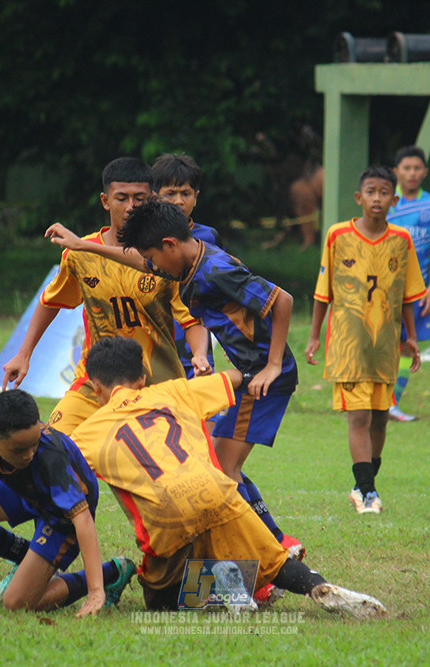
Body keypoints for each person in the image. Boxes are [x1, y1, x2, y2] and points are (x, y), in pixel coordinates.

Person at [46, 200, 305, 599]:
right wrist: (84, 245)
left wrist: (272, 365)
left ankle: (267, 564)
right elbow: (134, 259)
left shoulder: (216, 270)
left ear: (169, 244)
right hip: (247, 375)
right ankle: (254, 568)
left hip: (262, 380)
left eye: (153, 257)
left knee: (223, 476)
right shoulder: (180, 261)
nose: (152, 267)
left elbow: (283, 300)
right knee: (218, 471)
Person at [68, 336, 387, 618]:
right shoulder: (175, 390)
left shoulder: (85, 434)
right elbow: (236, 379)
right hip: (217, 492)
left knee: (157, 598)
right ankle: (323, 588)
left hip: (165, 517)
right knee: (275, 562)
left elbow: (61, 471)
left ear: (96, 387)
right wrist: (269, 368)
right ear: (142, 378)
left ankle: (222, 585)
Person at [1, 157, 209, 435]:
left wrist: (200, 355)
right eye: (122, 198)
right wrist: (23, 354)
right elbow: (50, 302)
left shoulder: (165, 255)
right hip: (95, 382)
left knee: (152, 468)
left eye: (140, 198)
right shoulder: (79, 254)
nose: (131, 207)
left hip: (155, 384)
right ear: (105, 200)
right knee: (54, 447)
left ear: (153, 200)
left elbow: (192, 319)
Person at [0, 389, 136, 618]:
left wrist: (96, 591)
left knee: (15, 602)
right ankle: (25, 557)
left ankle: (112, 572)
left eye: (34, 444)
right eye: (20, 449)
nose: (29, 455)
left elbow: (83, 519)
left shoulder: (50, 454)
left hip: (62, 514)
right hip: (22, 491)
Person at [304, 165, 426, 514]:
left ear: (394, 199)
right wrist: (314, 336)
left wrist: (412, 338)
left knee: (380, 417)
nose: (377, 198)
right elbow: (322, 292)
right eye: (370, 191)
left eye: (384, 192)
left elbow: (407, 295)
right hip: (347, 345)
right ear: (359, 198)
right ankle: (370, 494)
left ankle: (361, 486)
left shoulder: (401, 240)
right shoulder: (337, 235)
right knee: (358, 418)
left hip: (385, 347)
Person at [386, 146, 430, 422]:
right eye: (406, 168)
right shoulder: (385, 201)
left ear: (425, 172)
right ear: (396, 171)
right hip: (385, 288)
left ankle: (392, 404)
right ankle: (372, 401)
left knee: (406, 346)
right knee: (380, 344)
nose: (411, 173)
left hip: (417, 289)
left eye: (416, 168)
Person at [151, 153, 224, 379]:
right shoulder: (144, 239)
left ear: (196, 197)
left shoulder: (208, 238)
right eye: (170, 193)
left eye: (186, 193)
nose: (179, 201)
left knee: (198, 410)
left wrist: (232, 338)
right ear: (154, 196)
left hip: (197, 344)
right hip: (154, 343)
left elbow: (223, 291)